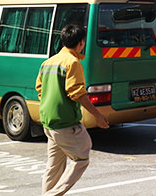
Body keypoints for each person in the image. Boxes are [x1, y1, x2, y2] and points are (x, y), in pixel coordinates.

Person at [35, 24, 109, 196]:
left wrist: (50, 104)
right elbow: (77, 93)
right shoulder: (72, 62)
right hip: (65, 122)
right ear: (81, 42)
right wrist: (97, 115)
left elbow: (39, 88)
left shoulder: (48, 62)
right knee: (82, 157)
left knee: (54, 167)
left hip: (48, 122)